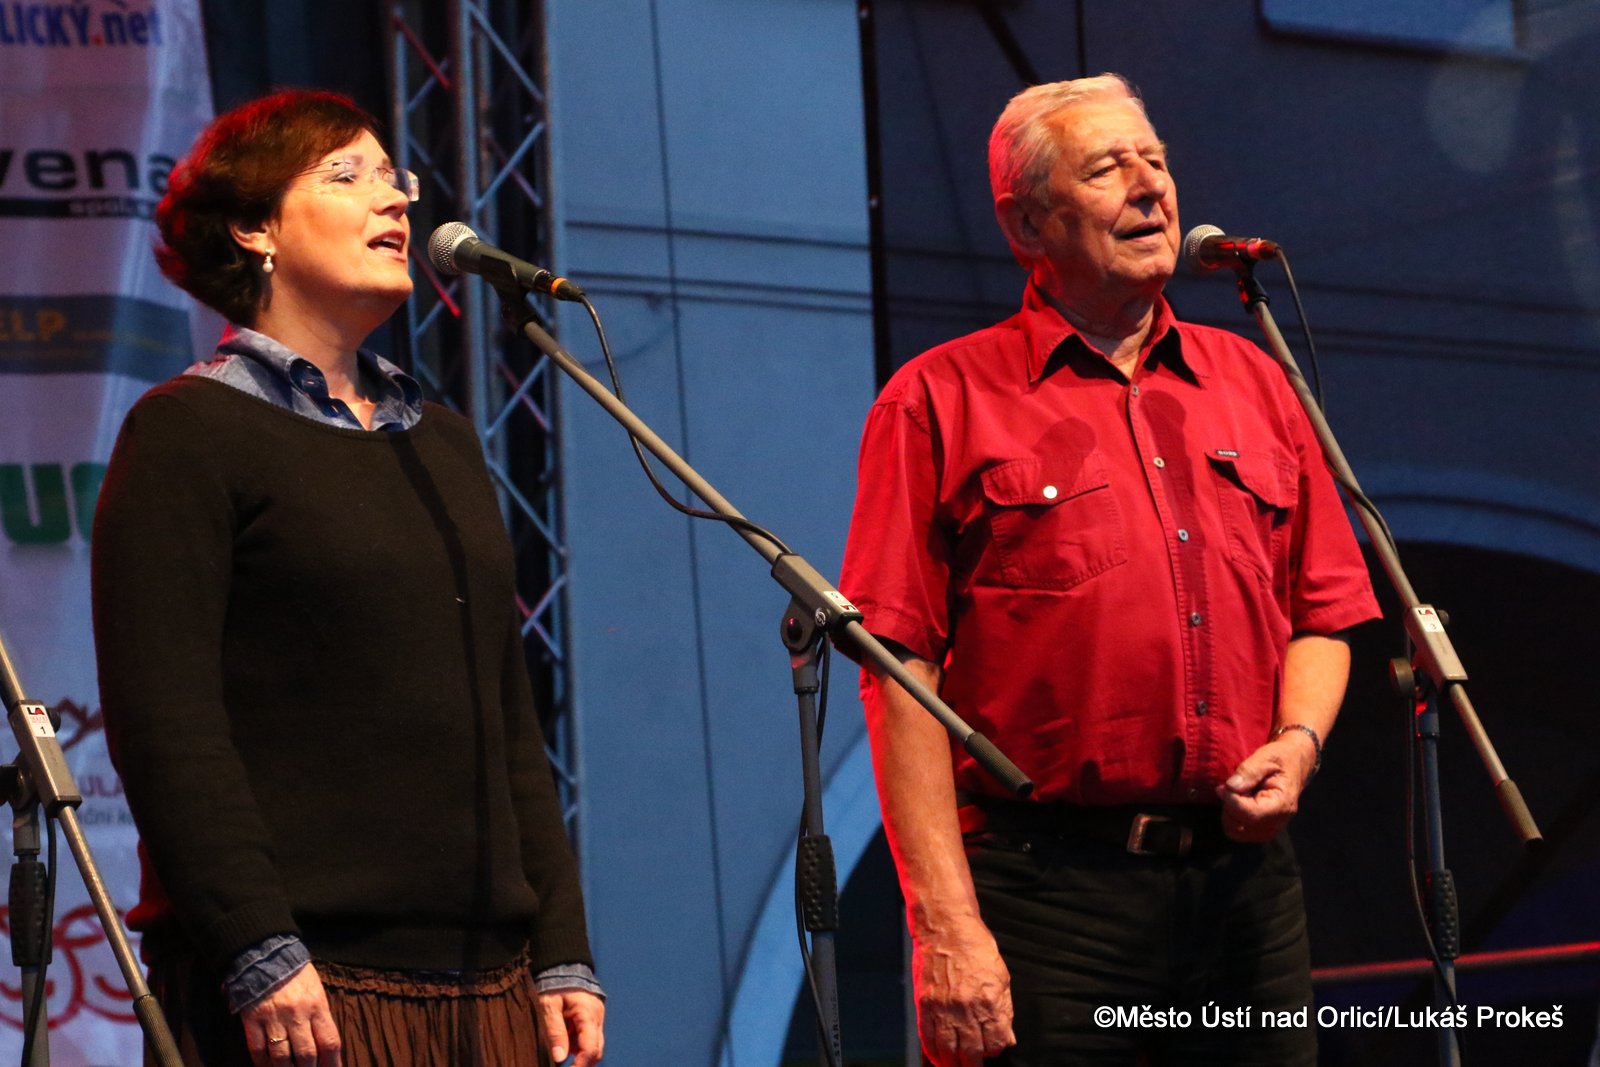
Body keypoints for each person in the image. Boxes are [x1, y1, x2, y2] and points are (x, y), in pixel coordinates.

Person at [838, 74, 1380, 1066]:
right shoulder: (940, 399)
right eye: (1106, 168)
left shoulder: (1255, 380)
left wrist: (1298, 740)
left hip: (1244, 891)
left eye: (1155, 160)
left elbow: (1324, 610)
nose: (1150, 186)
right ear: (1026, 223)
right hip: (1048, 899)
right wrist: (945, 924)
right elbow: (896, 669)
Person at [92, 89, 605, 1067]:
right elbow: (166, 723)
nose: (396, 198)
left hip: (487, 983)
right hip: (303, 992)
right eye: (347, 174)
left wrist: (562, 951)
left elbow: (506, 723)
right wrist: (256, 946)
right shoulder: (188, 432)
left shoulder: (442, 443)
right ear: (254, 228)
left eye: (394, 176)